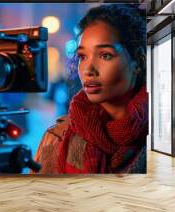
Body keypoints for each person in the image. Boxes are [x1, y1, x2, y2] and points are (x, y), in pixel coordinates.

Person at [34, 4, 148, 174]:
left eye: (105, 55)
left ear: (138, 61)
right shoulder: (55, 138)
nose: (88, 70)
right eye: (82, 56)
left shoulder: (164, 139)